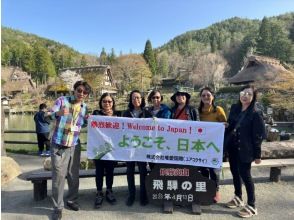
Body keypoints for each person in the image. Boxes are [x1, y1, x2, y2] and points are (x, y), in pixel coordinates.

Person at [48, 81, 92, 220]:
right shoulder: (62, 101)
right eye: (79, 90)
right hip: (59, 145)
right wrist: (57, 113)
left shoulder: (84, 107)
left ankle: (72, 200)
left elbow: (81, 124)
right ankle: (57, 207)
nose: (81, 94)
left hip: (74, 145)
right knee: (58, 177)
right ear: (74, 90)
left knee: (73, 175)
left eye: (85, 92)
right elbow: (46, 116)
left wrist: (87, 120)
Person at [225, 85, 265, 218]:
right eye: (243, 92)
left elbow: (258, 135)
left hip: (246, 150)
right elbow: (231, 125)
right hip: (233, 148)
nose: (245, 95)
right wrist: (227, 126)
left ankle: (252, 206)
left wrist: (258, 155)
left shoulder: (255, 113)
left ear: (253, 97)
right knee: (234, 172)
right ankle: (238, 197)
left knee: (246, 176)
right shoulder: (235, 108)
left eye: (249, 94)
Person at [123, 90, 152, 206]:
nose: (136, 100)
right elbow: (121, 128)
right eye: (134, 98)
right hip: (129, 146)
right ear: (131, 100)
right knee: (129, 171)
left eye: (138, 98)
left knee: (143, 171)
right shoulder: (126, 113)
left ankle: (143, 195)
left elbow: (153, 128)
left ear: (142, 99)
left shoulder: (147, 113)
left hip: (142, 146)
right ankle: (131, 195)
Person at [198, 86, 227, 203]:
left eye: (208, 95)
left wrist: (224, 125)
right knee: (204, 169)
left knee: (214, 170)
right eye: (203, 95)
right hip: (201, 145)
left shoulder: (218, 110)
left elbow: (225, 125)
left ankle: (215, 191)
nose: (206, 97)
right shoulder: (198, 111)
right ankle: (206, 190)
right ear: (200, 98)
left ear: (212, 97)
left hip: (214, 146)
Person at [92, 93, 121, 208]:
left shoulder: (119, 115)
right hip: (99, 149)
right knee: (99, 171)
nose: (107, 103)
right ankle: (99, 192)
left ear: (113, 103)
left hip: (112, 149)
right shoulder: (96, 114)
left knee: (110, 171)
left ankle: (109, 190)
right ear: (101, 102)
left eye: (109, 101)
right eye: (104, 101)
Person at [146, 89, 171, 170]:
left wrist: (157, 120)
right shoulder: (147, 111)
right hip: (150, 142)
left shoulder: (166, 110)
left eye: (158, 97)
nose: (155, 99)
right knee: (152, 166)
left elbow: (167, 124)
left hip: (162, 142)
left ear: (161, 98)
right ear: (151, 99)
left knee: (162, 167)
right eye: (153, 97)